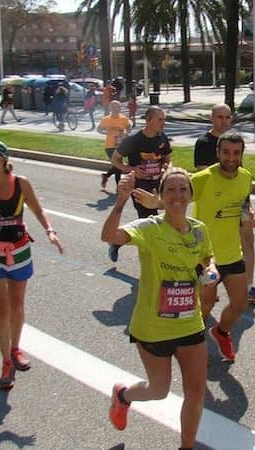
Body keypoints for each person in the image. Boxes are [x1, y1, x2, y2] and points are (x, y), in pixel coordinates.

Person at [101, 168, 214, 450]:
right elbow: (109, 236)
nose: (178, 196)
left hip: (190, 323)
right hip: (153, 327)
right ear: (161, 196)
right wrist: (121, 201)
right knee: (158, 390)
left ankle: (186, 447)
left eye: (183, 189)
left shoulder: (199, 230)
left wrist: (210, 269)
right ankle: (124, 396)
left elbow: (207, 257)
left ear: (190, 194)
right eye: (171, 190)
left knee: (196, 391)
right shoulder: (149, 228)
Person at [134, 132, 255, 363]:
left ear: (242, 155)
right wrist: (155, 203)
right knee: (205, 306)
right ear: (218, 153)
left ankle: (220, 333)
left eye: (236, 153)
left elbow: (244, 202)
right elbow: (179, 197)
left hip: (232, 254)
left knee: (240, 305)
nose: (231, 157)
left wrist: (249, 214)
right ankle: (189, 350)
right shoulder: (203, 178)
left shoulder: (246, 177)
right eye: (226, 152)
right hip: (205, 256)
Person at [0, 140, 64, 390]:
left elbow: (38, 210)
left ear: (1, 159)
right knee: (3, 308)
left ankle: (15, 348)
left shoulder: (21, 183)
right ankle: (6, 363)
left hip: (19, 249)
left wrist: (50, 231)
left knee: (17, 305)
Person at [193, 104, 255, 306]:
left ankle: (248, 287)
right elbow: (205, 181)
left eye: (227, 117)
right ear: (212, 118)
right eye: (220, 117)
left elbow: (241, 179)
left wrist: (248, 207)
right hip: (216, 210)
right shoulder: (204, 143)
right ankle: (210, 284)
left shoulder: (235, 141)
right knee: (212, 249)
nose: (224, 121)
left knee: (248, 242)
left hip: (237, 207)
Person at [108, 106, 172, 262]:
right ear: (148, 120)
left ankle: (118, 240)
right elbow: (115, 159)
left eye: (164, 119)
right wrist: (131, 170)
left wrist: (167, 169)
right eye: (160, 119)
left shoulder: (162, 137)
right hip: (140, 187)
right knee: (150, 222)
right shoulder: (134, 140)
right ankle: (157, 261)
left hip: (159, 186)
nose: (163, 123)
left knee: (157, 221)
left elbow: (168, 161)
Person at [97, 100, 131, 190]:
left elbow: (129, 128)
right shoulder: (106, 119)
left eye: (118, 107)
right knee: (118, 165)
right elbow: (99, 130)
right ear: (110, 108)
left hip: (120, 145)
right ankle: (119, 187)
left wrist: (126, 133)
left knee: (117, 165)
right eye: (114, 107)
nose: (116, 109)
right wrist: (106, 132)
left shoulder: (124, 119)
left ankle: (106, 176)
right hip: (110, 146)